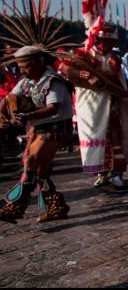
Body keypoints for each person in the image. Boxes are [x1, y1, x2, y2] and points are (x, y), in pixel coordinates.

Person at [0, 47, 72, 223]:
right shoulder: (27, 82)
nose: (22, 70)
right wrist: (2, 113)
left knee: (32, 159)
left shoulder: (53, 81)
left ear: (39, 63)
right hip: (39, 129)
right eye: (20, 67)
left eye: (25, 66)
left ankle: (16, 205)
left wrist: (28, 116)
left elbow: (53, 108)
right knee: (40, 170)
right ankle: (56, 207)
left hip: (56, 128)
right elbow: (8, 97)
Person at [59, 24, 128, 188]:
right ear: (97, 39)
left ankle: (117, 172)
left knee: (115, 134)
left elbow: (117, 80)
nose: (108, 44)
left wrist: (123, 92)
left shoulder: (115, 58)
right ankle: (102, 173)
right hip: (90, 103)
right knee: (95, 136)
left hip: (110, 102)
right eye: (105, 40)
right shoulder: (83, 54)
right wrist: (85, 75)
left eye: (110, 41)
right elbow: (65, 68)